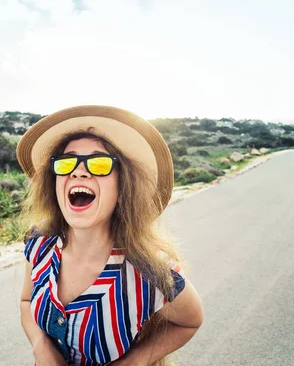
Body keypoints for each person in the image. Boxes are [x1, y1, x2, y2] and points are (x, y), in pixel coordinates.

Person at [17, 105, 204, 366]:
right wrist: (40, 345)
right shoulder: (39, 242)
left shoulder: (151, 271)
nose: (78, 171)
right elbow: (27, 301)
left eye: (99, 163)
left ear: (123, 185)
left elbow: (190, 321)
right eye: (67, 161)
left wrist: (134, 362)